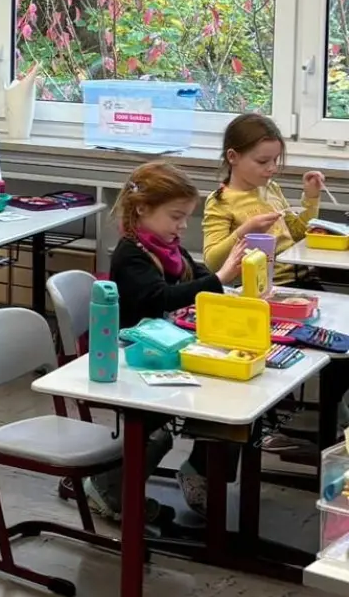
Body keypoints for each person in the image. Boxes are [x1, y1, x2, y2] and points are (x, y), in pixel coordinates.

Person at [79, 162, 246, 521]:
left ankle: (199, 472)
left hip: (165, 350)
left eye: (186, 217)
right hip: (132, 361)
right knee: (157, 435)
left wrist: (226, 286)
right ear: (142, 210)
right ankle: (109, 490)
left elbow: (198, 277)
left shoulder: (169, 248)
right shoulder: (131, 254)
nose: (183, 226)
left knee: (232, 408)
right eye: (176, 217)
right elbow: (161, 299)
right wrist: (218, 279)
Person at [202, 112, 325, 289]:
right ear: (232, 157)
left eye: (275, 160)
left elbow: (297, 235)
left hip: (303, 280)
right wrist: (246, 231)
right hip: (262, 288)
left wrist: (312, 198)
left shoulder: (271, 189)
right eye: (262, 161)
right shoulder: (220, 202)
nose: (273, 168)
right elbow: (213, 263)